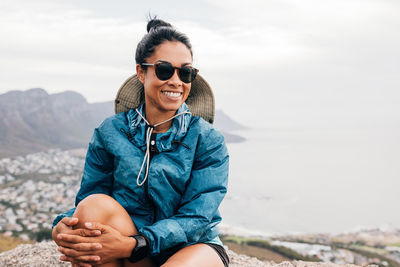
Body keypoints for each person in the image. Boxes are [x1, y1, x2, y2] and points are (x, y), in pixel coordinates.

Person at [52, 18, 229, 267]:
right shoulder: (110, 132)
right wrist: (62, 225)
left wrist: (136, 244)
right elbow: (92, 197)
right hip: (132, 246)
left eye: (186, 72)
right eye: (164, 70)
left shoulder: (207, 140)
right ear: (141, 72)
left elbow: (197, 217)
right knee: (93, 206)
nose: (176, 81)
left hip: (192, 246)